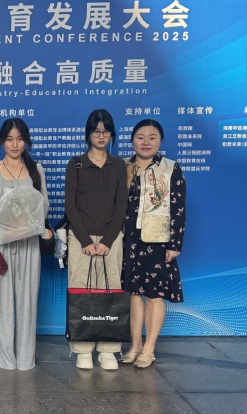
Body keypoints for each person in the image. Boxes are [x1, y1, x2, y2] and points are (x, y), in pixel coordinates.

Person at [64, 109, 129, 370]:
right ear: (88, 134)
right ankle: (82, 350)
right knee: (81, 290)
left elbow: (121, 206)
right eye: (96, 131)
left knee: (110, 290)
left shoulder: (118, 165)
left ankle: (108, 350)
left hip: (111, 239)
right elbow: (70, 206)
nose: (101, 136)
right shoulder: (76, 164)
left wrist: (108, 240)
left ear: (111, 133)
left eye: (105, 131)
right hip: (81, 239)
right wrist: (84, 240)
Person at [120, 119, 186, 369]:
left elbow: (178, 209)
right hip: (128, 239)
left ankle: (149, 349)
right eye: (140, 137)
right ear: (132, 140)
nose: (146, 142)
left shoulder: (170, 168)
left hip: (158, 240)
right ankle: (135, 346)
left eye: (152, 137)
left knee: (154, 295)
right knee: (134, 294)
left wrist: (174, 244)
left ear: (160, 140)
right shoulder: (122, 167)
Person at [0, 118, 50, 370]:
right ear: (2, 141)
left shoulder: (36, 169)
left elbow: (43, 204)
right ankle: (4, 359)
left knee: (27, 302)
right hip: (1, 245)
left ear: (26, 141)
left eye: (20, 139)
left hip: (29, 244)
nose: (15, 144)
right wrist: (16, 229)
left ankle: (25, 359)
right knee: (2, 303)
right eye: (10, 139)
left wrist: (28, 229)